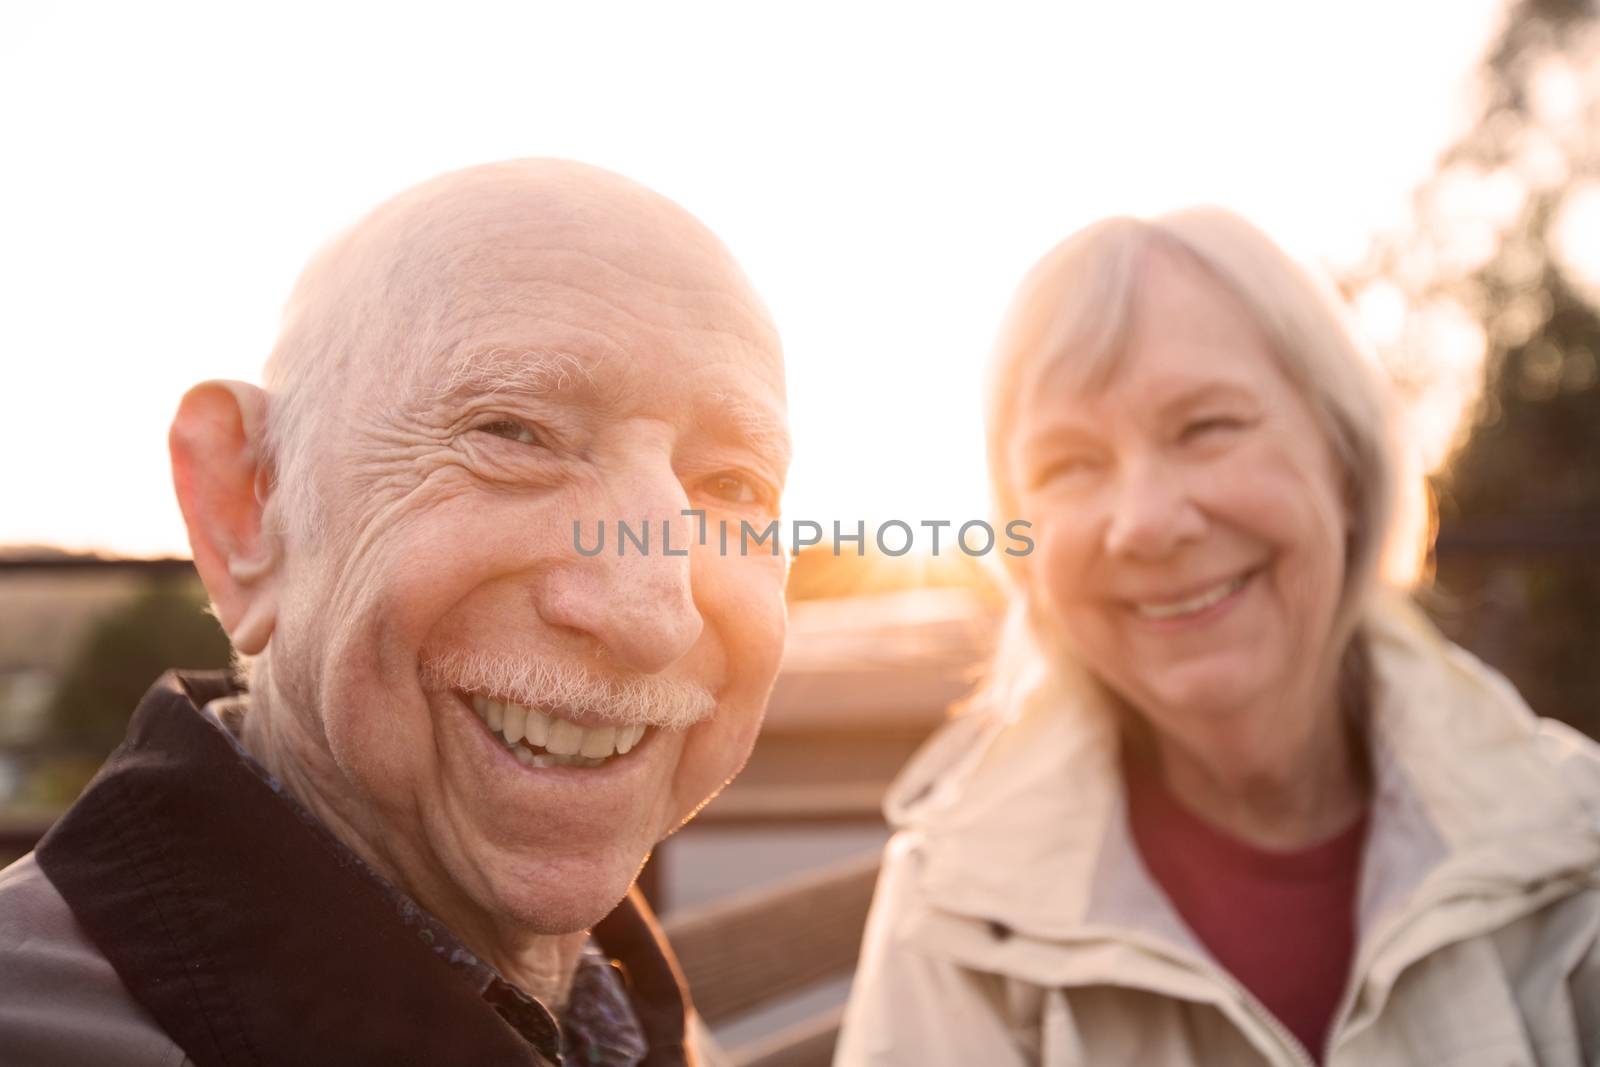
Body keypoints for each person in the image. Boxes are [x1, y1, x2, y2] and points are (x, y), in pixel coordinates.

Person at [0, 159, 792, 1066]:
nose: (659, 616)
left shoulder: (621, 1018)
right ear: (247, 508)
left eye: (734, 484)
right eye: (514, 431)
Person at [836, 209, 1600, 1066]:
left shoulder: (1574, 838)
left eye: (1206, 427)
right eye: (1069, 465)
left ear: (1345, 463)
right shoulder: (954, 902)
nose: (1146, 523)